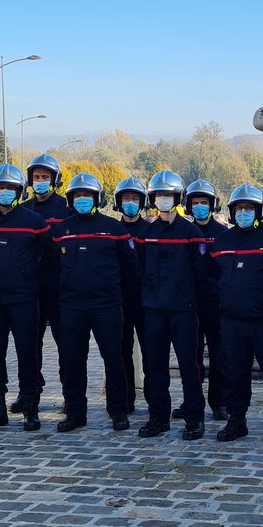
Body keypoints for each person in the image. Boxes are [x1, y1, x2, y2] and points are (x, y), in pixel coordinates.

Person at [0, 163, 54, 433]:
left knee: (28, 354)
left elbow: (47, 255)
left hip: (25, 299)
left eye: (10, 188)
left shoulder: (34, 222)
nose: (5, 192)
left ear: (19, 191)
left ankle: (30, 409)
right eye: (0, 188)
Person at [210, 183, 263, 444]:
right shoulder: (222, 240)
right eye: (239, 208)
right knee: (234, 373)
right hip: (232, 321)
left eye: (250, 208)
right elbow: (214, 274)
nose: (244, 212)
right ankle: (236, 420)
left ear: (261, 210)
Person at [51, 172, 139, 431]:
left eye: (87, 195)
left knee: (114, 359)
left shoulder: (114, 229)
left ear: (97, 198)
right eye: (77, 195)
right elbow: (53, 266)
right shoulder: (61, 230)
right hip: (71, 306)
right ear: (70, 198)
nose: (82, 199)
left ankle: (118, 411)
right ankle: (76, 412)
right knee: (73, 361)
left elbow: (129, 266)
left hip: (106, 305)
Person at [136, 170, 209, 440]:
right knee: (155, 366)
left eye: (169, 195)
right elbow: (139, 268)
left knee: (189, 365)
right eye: (160, 195)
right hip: (154, 309)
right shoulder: (146, 233)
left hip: (183, 310)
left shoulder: (191, 232)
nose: (164, 200)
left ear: (178, 198)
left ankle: (194, 418)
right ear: (153, 198)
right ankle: (158, 417)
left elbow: (201, 272)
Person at [15, 153, 69, 415]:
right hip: (29, 288)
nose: (40, 181)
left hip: (58, 288)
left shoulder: (65, 209)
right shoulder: (22, 209)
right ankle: (29, 393)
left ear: (54, 180)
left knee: (66, 345)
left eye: (45, 177)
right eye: (36, 177)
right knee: (28, 345)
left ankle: (71, 394)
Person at [183, 179, 228, 422]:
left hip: (215, 303)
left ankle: (218, 401)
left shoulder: (222, 233)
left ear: (212, 205)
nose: (200, 206)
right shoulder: (184, 231)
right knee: (191, 355)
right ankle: (192, 400)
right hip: (189, 303)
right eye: (196, 203)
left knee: (219, 356)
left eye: (204, 203)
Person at [114, 176, 150, 413]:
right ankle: (125, 400)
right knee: (121, 352)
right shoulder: (112, 229)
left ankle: (154, 398)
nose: (130, 202)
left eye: (134, 198)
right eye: (126, 198)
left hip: (147, 300)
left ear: (142, 202)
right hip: (119, 300)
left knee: (151, 353)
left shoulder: (150, 230)